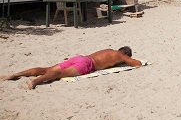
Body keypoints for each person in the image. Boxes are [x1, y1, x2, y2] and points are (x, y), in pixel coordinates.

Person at [0, 47, 142, 89]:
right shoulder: (121, 56)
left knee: (47, 68)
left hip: (80, 57)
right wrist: (126, 60)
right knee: (58, 74)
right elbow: (137, 64)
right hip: (86, 65)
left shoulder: (109, 50)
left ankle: (15, 74)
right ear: (125, 53)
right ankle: (35, 82)